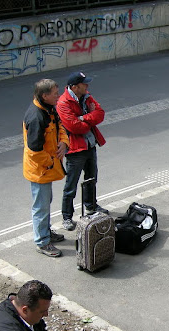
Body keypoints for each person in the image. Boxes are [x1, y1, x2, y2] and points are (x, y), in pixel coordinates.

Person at [57, 72, 108, 232]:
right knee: (71, 185)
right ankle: (67, 216)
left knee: (92, 178)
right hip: (75, 149)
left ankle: (91, 207)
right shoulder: (63, 103)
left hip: (90, 144)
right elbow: (74, 127)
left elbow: (100, 114)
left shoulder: (86, 95)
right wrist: (87, 117)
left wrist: (82, 117)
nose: (87, 86)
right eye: (84, 84)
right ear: (74, 87)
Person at [23, 79, 69, 258]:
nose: (58, 96)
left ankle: (45, 233)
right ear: (44, 96)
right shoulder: (36, 117)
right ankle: (42, 242)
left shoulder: (48, 109)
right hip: (40, 170)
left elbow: (60, 128)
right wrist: (50, 161)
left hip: (45, 169)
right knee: (41, 207)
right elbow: (34, 151)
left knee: (45, 202)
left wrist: (64, 142)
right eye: (55, 93)